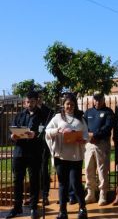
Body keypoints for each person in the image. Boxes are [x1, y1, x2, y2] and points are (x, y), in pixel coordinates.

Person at [45, 93, 89, 219]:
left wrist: (82, 140)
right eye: (67, 104)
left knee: (76, 183)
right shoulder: (57, 117)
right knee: (63, 184)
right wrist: (57, 131)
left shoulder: (80, 118)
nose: (70, 106)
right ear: (63, 105)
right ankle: (62, 211)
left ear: (75, 105)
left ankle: (82, 208)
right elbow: (47, 131)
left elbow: (86, 134)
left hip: (75, 156)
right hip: (61, 156)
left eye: (72, 104)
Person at [6, 91, 42, 219]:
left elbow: (46, 133)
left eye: (32, 101)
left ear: (37, 101)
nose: (30, 104)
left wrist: (35, 134)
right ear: (25, 102)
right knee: (17, 181)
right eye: (28, 101)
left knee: (34, 181)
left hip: (34, 153)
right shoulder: (20, 115)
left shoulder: (43, 115)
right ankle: (17, 207)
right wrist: (12, 136)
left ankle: (33, 208)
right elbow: (11, 131)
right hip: (19, 153)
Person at [84, 93, 114, 206]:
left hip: (102, 144)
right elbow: (84, 126)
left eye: (99, 99)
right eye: (95, 99)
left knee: (102, 170)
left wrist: (95, 135)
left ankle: (103, 194)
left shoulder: (108, 112)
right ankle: (91, 193)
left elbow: (108, 127)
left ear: (103, 99)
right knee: (88, 169)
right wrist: (89, 136)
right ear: (93, 100)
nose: (97, 102)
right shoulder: (88, 112)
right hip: (89, 144)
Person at [38, 90, 55, 206]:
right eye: (37, 97)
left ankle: (45, 195)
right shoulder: (30, 111)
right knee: (34, 171)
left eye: (40, 97)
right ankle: (35, 195)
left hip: (44, 144)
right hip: (32, 145)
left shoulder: (49, 112)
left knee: (44, 169)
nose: (39, 99)